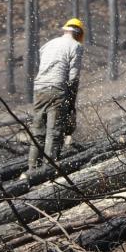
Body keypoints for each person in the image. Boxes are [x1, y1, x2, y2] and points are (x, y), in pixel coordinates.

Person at [28, 18, 84, 173]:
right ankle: (48, 171)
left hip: (39, 89)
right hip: (58, 89)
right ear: (79, 33)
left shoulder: (48, 44)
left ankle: (32, 169)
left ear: (65, 29)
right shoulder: (76, 46)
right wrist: (71, 102)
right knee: (55, 132)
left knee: (38, 133)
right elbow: (73, 78)